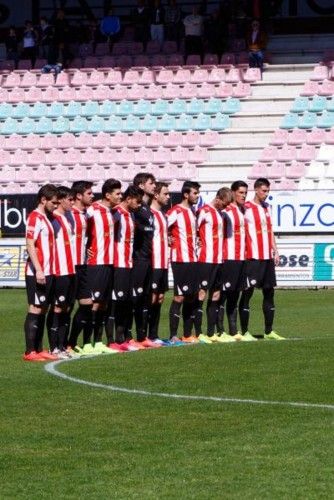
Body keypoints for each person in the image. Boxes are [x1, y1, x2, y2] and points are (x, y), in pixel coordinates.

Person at [239, 177, 285, 340]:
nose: (266, 194)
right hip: (252, 257)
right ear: (256, 190)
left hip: (267, 257)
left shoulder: (267, 208)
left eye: (268, 191)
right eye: (264, 191)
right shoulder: (246, 208)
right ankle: (244, 332)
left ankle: (268, 331)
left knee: (269, 292)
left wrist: (276, 250)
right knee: (247, 292)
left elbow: (270, 230)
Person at [84, 178, 122, 354]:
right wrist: (85, 249)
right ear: (107, 195)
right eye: (117, 194)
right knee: (93, 303)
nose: (120, 196)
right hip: (96, 263)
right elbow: (78, 228)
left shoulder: (114, 213)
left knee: (104, 304)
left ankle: (98, 341)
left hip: (109, 263)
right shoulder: (92, 210)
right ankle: (86, 342)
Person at [23, 184, 59, 361]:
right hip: (37, 272)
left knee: (43, 309)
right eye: (53, 202)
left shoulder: (46, 218)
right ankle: (30, 351)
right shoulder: (34, 217)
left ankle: (38, 348)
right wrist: (38, 269)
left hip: (48, 271)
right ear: (43, 200)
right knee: (35, 308)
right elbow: (30, 244)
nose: (56, 205)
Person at [194, 187, 232, 343]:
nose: (225, 207)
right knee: (201, 294)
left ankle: (211, 333)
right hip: (205, 259)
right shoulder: (204, 211)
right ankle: (198, 332)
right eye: (224, 203)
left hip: (219, 260)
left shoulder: (220, 214)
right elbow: (193, 228)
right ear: (218, 198)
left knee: (216, 294)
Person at [109, 185, 144, 352]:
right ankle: (113, 340)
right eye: (137, 201)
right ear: (128, 199)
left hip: (128, 263)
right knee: (117, 302)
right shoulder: (116, 213)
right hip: (118, 264)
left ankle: (124, 337)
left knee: (128, 301)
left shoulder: (130, 214)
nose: (139, 205)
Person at [167, 180, 200, 343]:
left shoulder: (193, 212)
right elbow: (161, 227)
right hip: (180, 259)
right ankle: (173, 335)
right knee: (179, 296)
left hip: (192, 259)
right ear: (186, 194)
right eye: (195, 193)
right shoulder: (176, 211)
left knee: (191, 296)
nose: (197, 196)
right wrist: (168, 237)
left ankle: (187, 335)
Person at [220, 180, 252, 342]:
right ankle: (220, 331)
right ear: (232, 193)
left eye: (245, 193)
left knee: (235, 294)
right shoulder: (226, 211)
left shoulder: (243, 210)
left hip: (241, 257)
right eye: (240, 192)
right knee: (223, 294)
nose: (243, 196)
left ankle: (233, 330)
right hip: (229, 257)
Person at [47, 186, 76, 359]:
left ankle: (62, 345)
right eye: (70, 200)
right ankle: (54, 347)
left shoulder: (66, 218)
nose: (72, 203)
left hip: (70, 269)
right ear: (62, 200)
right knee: (58, 308)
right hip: (59, 270)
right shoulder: (54, 219)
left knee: (66, 308)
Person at [132, 172, 160, 348]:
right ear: (141, 186)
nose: (154, 185)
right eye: (151, 183)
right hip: (137, 260)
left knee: (145, 299)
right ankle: (129, 337)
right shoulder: (135, 209)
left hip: (148, 260)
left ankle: (142, 337)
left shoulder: (147, 209)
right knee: (134, 299)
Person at [67, 181, 94, 354]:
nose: (92, 196)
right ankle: (60, 345)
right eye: (89, 193)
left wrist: (88, 249)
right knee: (65, 307)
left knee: (87, 304)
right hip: (69, 266)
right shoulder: (67, 215)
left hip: (82, 265)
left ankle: (71, 342)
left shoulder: (85, 215)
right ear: (78, 195)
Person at [148, 182, 171, 344]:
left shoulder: (163, 214)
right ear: (156, 195)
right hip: (153, 262)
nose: (168, 197)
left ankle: (154, 335)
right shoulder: (148, 214)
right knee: (152, 298)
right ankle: (146, 335)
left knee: (160, 297)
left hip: (164, 262)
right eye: (166, 193)